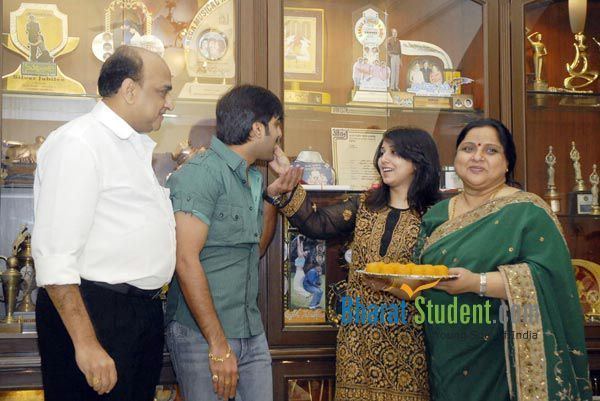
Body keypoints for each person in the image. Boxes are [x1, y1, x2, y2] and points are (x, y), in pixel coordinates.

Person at [32, 45, 176, 401]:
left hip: (138, 314)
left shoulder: (132, 146)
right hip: (96, 312)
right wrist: (86, 344)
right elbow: (55, 256)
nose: (169, 103)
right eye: (163, 91)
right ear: (129, 90)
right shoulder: (79, 142)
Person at [412, 118, 591, 401]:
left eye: (491, 151)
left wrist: (476, 283)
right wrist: (398, 284)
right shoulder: (437, 214)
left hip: (502, 352)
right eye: (468, 148)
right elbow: (418, 275)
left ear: (507, 163)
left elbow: (549, 277)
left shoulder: (528, 211)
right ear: (456, 158)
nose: (477, 157)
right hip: (443, 347)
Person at [266, 127, 441, 401]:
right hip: (357, 343)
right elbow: (317, 223)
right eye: (382, 152)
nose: (384, 159)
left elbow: (442, 277)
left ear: (419, 160)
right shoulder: (365, 205)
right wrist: (287, 179)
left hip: (410, 344)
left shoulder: (436, 216)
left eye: (395, 153)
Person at [164, 85, 303, 401]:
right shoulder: (200, 174)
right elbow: (185, 260)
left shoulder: (253, 179)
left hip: (251, 332)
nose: (279, 135)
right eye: (277, 124)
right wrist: (217, 344)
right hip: (202, 336)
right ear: (258, 129)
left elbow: (257, 250)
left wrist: (272, 197)